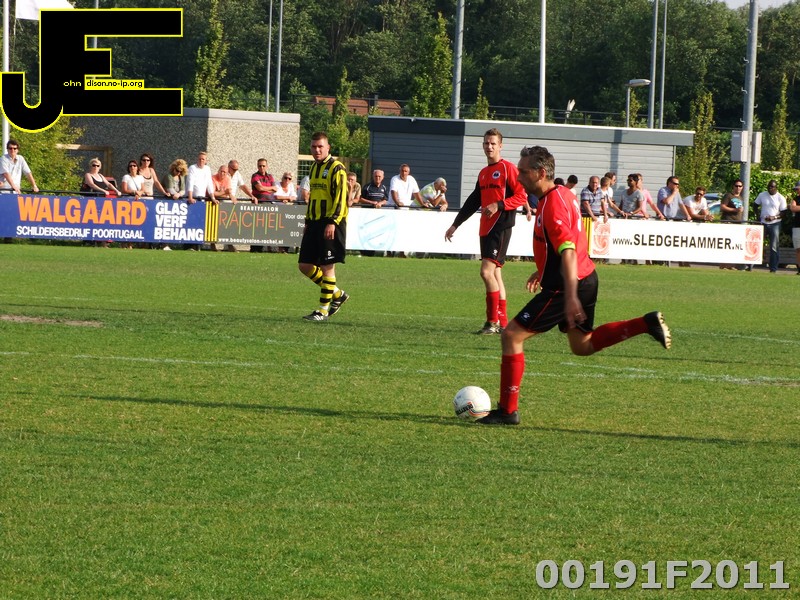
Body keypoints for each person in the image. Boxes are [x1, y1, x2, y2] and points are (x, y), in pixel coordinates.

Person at [476, 145, 671, 425]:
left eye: (523, 171)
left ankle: (507, 411)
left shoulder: (553, 204)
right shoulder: (562, 194)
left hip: (567, 285)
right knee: (582, 345)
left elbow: (567, 251)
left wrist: (569, 296)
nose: (518, 177)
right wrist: (542, 269)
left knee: (511, 336)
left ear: (540, 173)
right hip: (585, 277)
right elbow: (568, 242)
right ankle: (645, 323)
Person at [444, 128, 528, 334]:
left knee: (486, 272)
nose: (489, 147)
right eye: (486, 143)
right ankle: (503, 322)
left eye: (493, 143)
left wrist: (498, 205)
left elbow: (522, 196)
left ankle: (492, 322)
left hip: (501, 226)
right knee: (496, 273)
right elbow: (474, 201)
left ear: (500, 146)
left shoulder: (508, 168)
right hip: (486, 228)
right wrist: (456, 224)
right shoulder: (483, 173)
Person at [298, 131, 350, 322]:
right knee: (304, 265)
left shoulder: (337, 168)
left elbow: (341, 198)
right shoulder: (313, 168)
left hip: (331, 222)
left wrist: (332, 222)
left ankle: (323, 311)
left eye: (320, 146)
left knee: (327, 266)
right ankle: (337, 294)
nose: (317, 150)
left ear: (328, 148)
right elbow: (313, 197)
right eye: (314, 146)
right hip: (315, 222)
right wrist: (308, 221)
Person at [755, 180, 787, 273]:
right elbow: (755, 205)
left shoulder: (780, 198)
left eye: (772, 187)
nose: (770, 188)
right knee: (757, 243)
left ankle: (773, 268)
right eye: (769, 186)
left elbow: (784, 213)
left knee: (774, 246)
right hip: (763, 223)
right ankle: (751, 265)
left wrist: (774, 217)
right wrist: (758, 217)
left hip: (775, 224)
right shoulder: (762, 195)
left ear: (776, 187)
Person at [791, 182, 800, 275]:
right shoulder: (795, 199)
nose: (797, 190)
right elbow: (793, 207)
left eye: (798, 188)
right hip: (797, 226)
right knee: (798, 249)